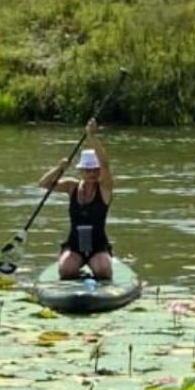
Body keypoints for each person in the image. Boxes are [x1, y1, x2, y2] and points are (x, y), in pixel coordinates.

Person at [38, 119, 114, 280]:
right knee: (66, 271)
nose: (92, 173)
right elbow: (44, 184)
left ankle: (100, 264)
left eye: (95, 170)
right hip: (74, 246)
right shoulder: (71, 186)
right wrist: (58, 168)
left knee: (103, 272)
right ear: (81, 171)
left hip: (98, 246)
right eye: (88, 170)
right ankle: (76, 268)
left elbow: (106, 165)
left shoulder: (105, 188)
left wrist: (91, 137)